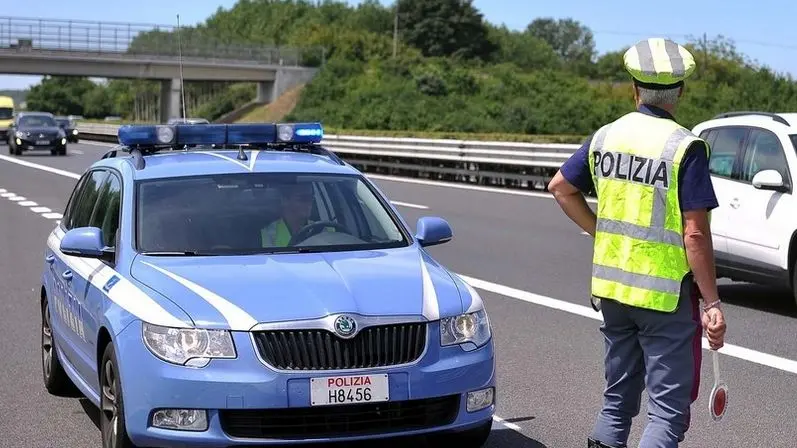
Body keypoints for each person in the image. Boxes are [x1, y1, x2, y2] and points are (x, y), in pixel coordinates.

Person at [547, 38, 727, 448]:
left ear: (634, 88)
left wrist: (601, 231)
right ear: (680, 91)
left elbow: (560, 188)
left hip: (612, 291)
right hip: (664, 298)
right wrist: (713, 303)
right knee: (667, 414)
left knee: (617, 402)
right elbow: (695, 233)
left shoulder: (607, 136)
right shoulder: (685, 147)